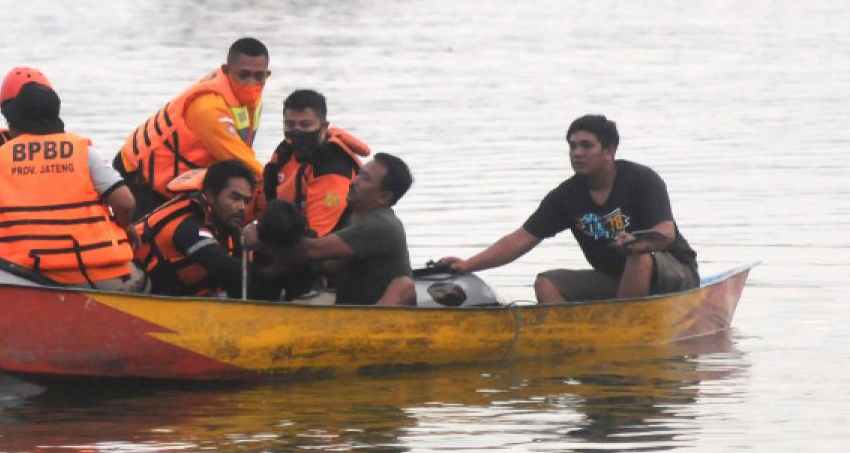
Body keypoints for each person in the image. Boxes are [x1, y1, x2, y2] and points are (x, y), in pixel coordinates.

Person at [439, 114, 699, 303]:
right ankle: (569, 338)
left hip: (674, 273)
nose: (577, 153)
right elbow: (519, 240)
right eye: (572, 146)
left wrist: (638, 242)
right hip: (614, 279)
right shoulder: (566, 196)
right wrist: (468, 264)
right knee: (547, 283)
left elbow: (666, 232)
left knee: (638, 257)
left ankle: (623, 327)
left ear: (609, 151)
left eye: (586, 146)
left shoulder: (641, 179)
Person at [0, 67, 142, 291]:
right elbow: (126, 204)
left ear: (12, 121)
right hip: (95, 277)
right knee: (145, 279)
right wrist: (124, 225)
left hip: (25, 281)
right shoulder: (84, 153)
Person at [116, 37, 270, 215]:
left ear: (268, 74)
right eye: (244, 75)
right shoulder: (208, 108)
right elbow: (243, 164)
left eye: (259, 76)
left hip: (180, 174)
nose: (251, 83)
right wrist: (278, 187)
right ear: (227, 71)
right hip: (143, 174)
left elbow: (244, 153)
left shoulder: (251, 98)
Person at [261, 153, 415, 306]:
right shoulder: (354, 217)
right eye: (360, 174)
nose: (354, 181)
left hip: (375, 316)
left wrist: (260, 238)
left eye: (365, 178)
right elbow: (330, 264)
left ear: (384, 197)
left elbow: (311, 250)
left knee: (403, 285)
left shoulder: (381, 225)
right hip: (351, 309)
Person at [135, 159, 280, 298]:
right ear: (210, 195)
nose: (242, 207)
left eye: (246, 201)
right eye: (235, 198)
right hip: (139, 289)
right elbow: (223, 266)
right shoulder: (187, 225)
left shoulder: (226, 223)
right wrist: (282, 268)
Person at [263, 89, 370, 237]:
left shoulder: (333, 167)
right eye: (290, 125)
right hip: (286, 234)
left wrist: (261, 241)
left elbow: (315, 237)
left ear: (324, 127)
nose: (297, 131)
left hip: (329, 249)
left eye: (305, 125)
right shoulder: (284, 153)